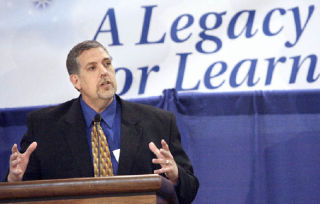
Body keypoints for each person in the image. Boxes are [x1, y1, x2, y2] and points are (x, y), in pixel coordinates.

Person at [6, 40, 199, 203]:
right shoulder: (45, 127)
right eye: (92, 67)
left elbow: (190, 190)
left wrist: (176, 176)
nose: (104, 72)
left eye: (107, 64)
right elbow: (20, 193)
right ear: (76, 81)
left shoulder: (158, 122)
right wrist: (14, 181)